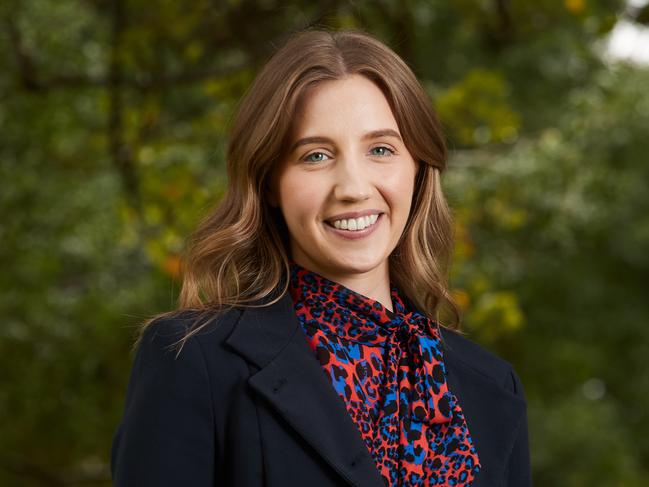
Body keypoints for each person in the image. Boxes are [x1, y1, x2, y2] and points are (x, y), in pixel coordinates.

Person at [110, 28, 531, 487]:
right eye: (315, 155)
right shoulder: (193, 360)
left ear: (418, 167)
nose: (352, 187)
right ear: (270, 181)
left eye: (381, 150)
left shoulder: (492, 387)